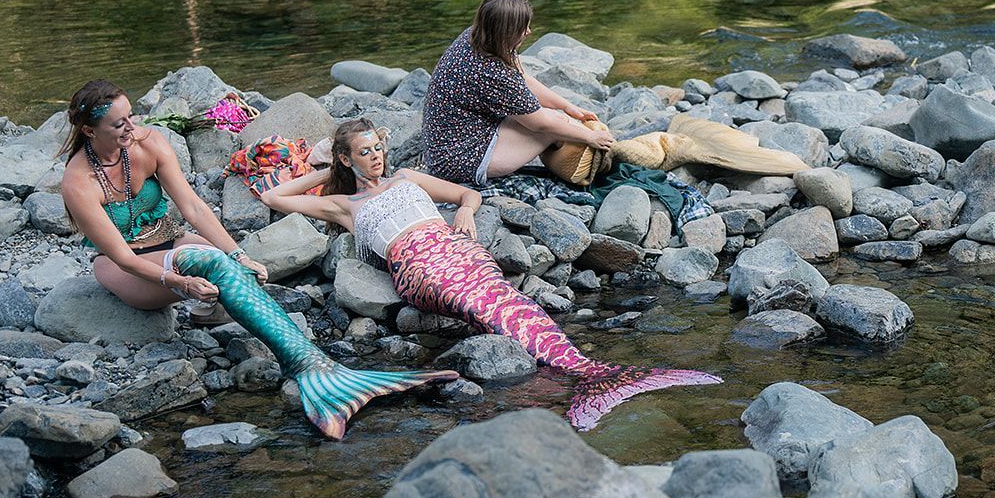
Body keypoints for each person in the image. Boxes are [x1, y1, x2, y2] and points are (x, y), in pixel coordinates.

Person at [262, 118, 720, 429]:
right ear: (347, 160)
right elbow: (275, 198)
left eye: (378, 147)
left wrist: (464, 213)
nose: (377, 157)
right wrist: (322, 169)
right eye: (364, 152)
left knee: (503, 294)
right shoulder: (346, 205)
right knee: (466, 298)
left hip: (450, 243)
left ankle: (588, 371)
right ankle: (582, 377)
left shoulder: (407, 178)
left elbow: (467, 195)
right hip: (415, 264)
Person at [59, 80, 454, 439]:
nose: (132, 127)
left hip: (171, 239)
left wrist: (238, 253)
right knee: (206, 263)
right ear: (90, 132)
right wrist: (180, 283)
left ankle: (259, 335)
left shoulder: (148, 143)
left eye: (131, 116)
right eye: (118, 125)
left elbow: (194, 209)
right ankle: (307, 365)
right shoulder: (78, 182)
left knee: (228, 264)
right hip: (125, 266)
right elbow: (124, 257)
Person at [422, 0, 615, 185]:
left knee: (561, 118)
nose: (529, 32)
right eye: (523, 28)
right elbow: (539, 123)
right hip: (459, 160)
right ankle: (584, 167)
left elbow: (522, 79)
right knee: (556, 123)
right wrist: (590, 136)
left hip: (449, 141)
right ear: (506, 32)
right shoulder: (491, 72)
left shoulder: (477, 35)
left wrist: (567, 106)